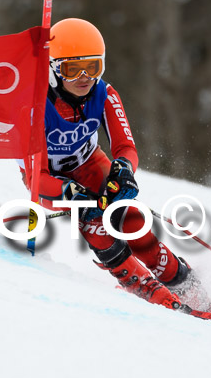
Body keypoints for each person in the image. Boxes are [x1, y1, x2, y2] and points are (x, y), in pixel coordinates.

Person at [21, 18, 196, 312]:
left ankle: (182, 280)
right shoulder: (35, 104)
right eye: (71, 69)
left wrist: (124, 169)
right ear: (52, 70)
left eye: (93, 66)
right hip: (51, 179)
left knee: (129, 216)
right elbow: (34, 179)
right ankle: (150, 292)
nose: (84, 77)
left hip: (89, 164)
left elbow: (125, 147)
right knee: (94, 222)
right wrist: (68, 192)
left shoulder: (105, 94)